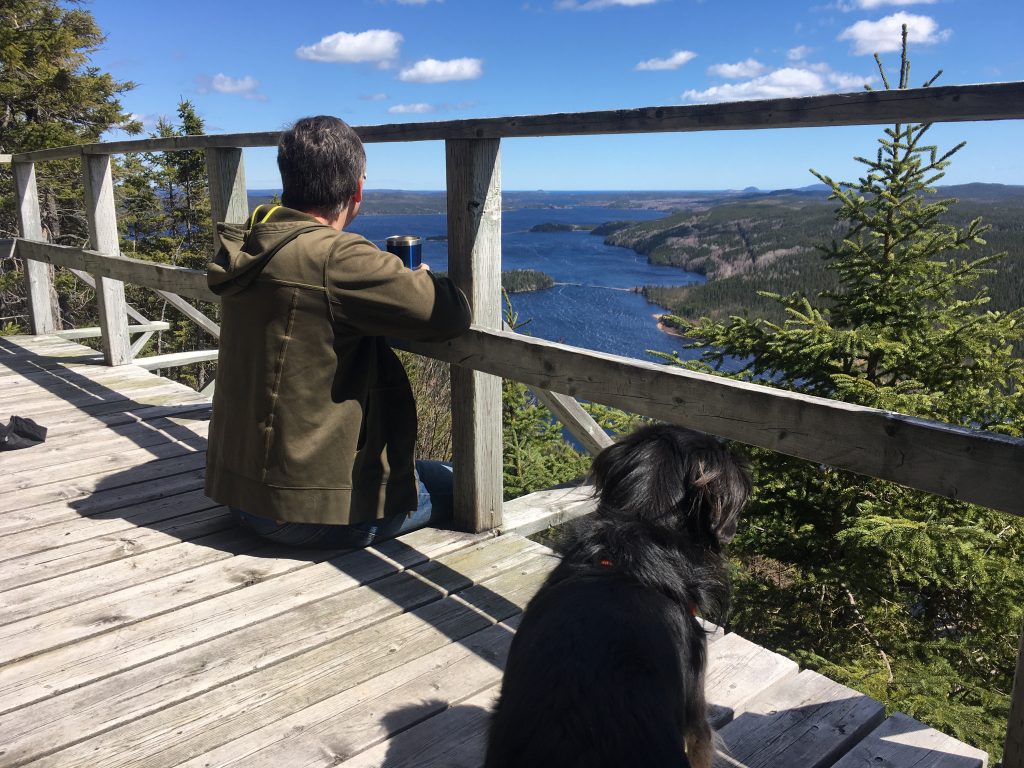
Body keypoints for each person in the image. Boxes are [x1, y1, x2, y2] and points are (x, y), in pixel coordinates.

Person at [205, 115, 471, 548]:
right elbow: (449, 314)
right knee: (461, 481)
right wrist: (425, 277)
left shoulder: (252, 242)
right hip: (303, 511)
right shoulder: (336, 257)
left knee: (421, 471)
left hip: (242, 492)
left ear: (288, 178)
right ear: (357, 190)